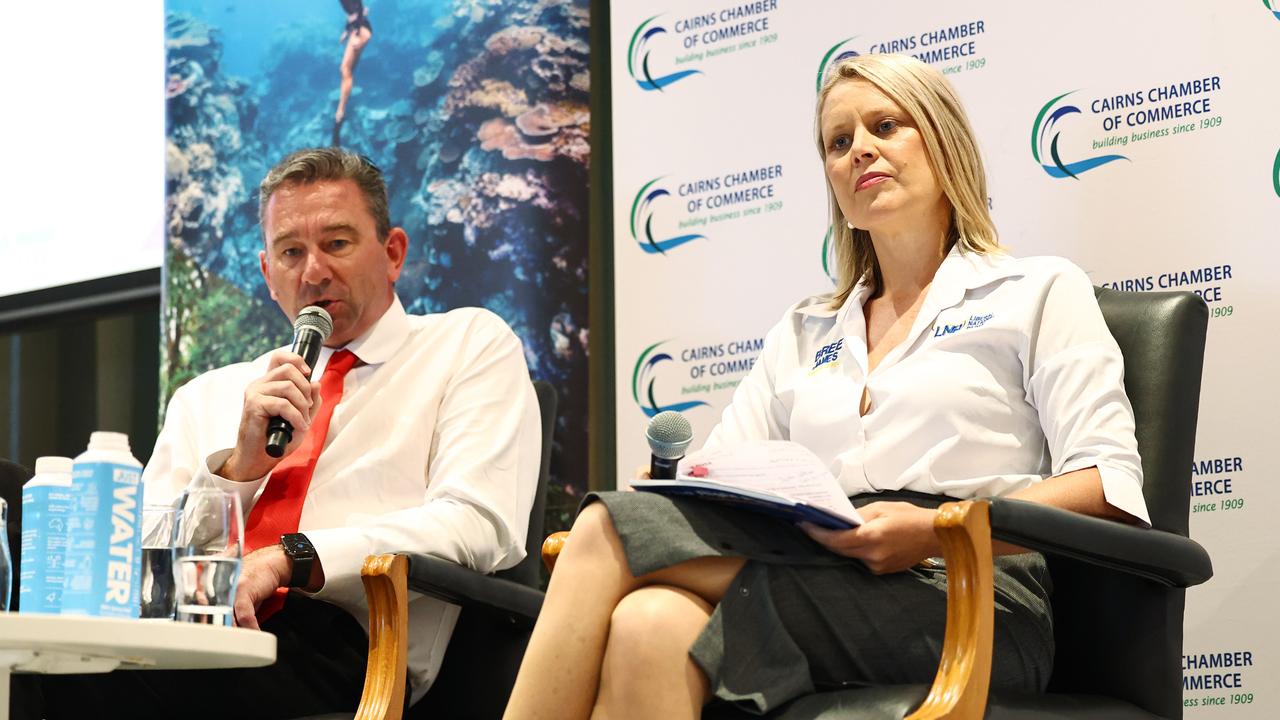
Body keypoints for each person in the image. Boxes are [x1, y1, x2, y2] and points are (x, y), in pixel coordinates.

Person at [503, 53, 1150, 720]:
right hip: (820, 568)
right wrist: (690, 486)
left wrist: (931, 531)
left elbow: (1107, 487)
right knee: (650, 621)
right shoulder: (804, 330)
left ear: (943, 139)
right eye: (838, 142)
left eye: (886, 125)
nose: (860, 150)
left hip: (971, 595)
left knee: (608, 532)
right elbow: (729, 476)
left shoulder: (1038, 290)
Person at [12, 147, 541, 719]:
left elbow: (478, 522)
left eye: (336, 244)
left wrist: (290, 558)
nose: (313, 271)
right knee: (49, 656)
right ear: (268, 275)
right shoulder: (208, 395)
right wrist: (238, 470)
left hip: (346, 642)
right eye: (291, 252)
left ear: (392, 253)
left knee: (78, 677)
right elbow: (139, 562)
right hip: (196, 632)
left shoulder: (466, 346)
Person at [333, 0, 373, 145]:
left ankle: (340, 113)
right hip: (358, 29)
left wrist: (355, 34)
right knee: (345, 70)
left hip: (362, 31)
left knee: (346, 70)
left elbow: (360, 9)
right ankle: (340, 115)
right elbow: (356, 11)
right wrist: (347, 30)